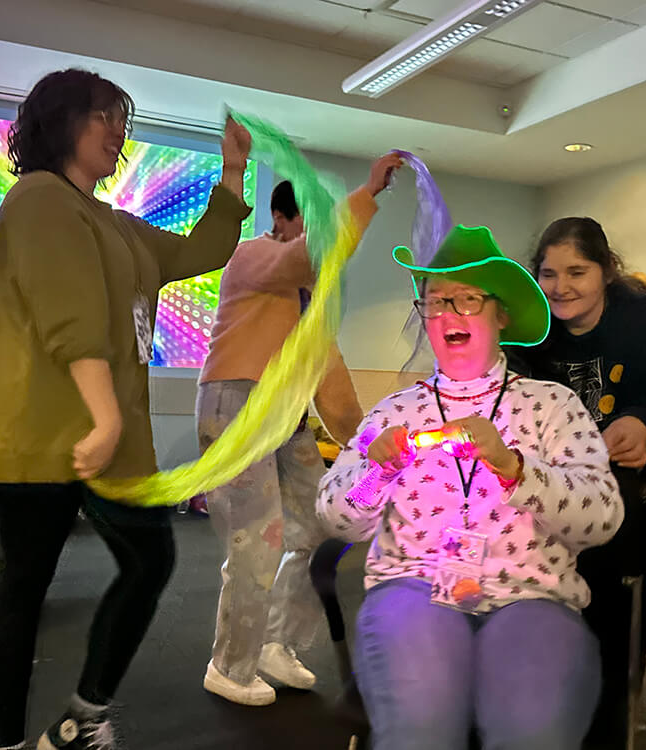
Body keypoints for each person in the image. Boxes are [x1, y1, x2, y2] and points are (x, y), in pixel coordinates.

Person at [0, 69, 252, 750]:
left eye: (122, 118)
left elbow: (201, 250)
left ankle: (84, 715)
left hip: (104, 440)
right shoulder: (37, 200)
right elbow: (71, 314)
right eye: (102, 116)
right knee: (22, 590)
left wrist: (233, 171)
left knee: (150, 562)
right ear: (59, 122)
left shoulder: (113, 223)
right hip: (44, 437)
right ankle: (3, 743)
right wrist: (105, 414)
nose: (118, 132)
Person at [317, 224, 624, 750]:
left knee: (533, 732)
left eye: (467, 299)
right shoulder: (396, 411)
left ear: (500, 314)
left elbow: (602, 517)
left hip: (532, 596)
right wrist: (378, 472)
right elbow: (335, 517)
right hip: (414, 588)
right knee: (421, 729)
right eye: (434, 303)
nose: (448, 315)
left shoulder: (552, 405)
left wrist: (514, 468)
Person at [196, 154, 402, 706]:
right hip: (237, 407)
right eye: (308, 223)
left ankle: (276, 643)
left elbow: (331, 380)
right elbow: (314, 253)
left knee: (326, 524)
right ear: (281, 222)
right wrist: (367, 193)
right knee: (257, 540)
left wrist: (368, 443)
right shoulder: (254, 256)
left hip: (287, 419)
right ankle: (229, 664)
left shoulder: (313, 300)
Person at [506, 217, 646, 748]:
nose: (561, 286)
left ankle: (621, 678)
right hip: (561, 487)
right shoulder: (530, 333)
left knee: (618, 621)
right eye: (548, 273)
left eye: (577, 271)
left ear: (607, 270)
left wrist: (641, 423)